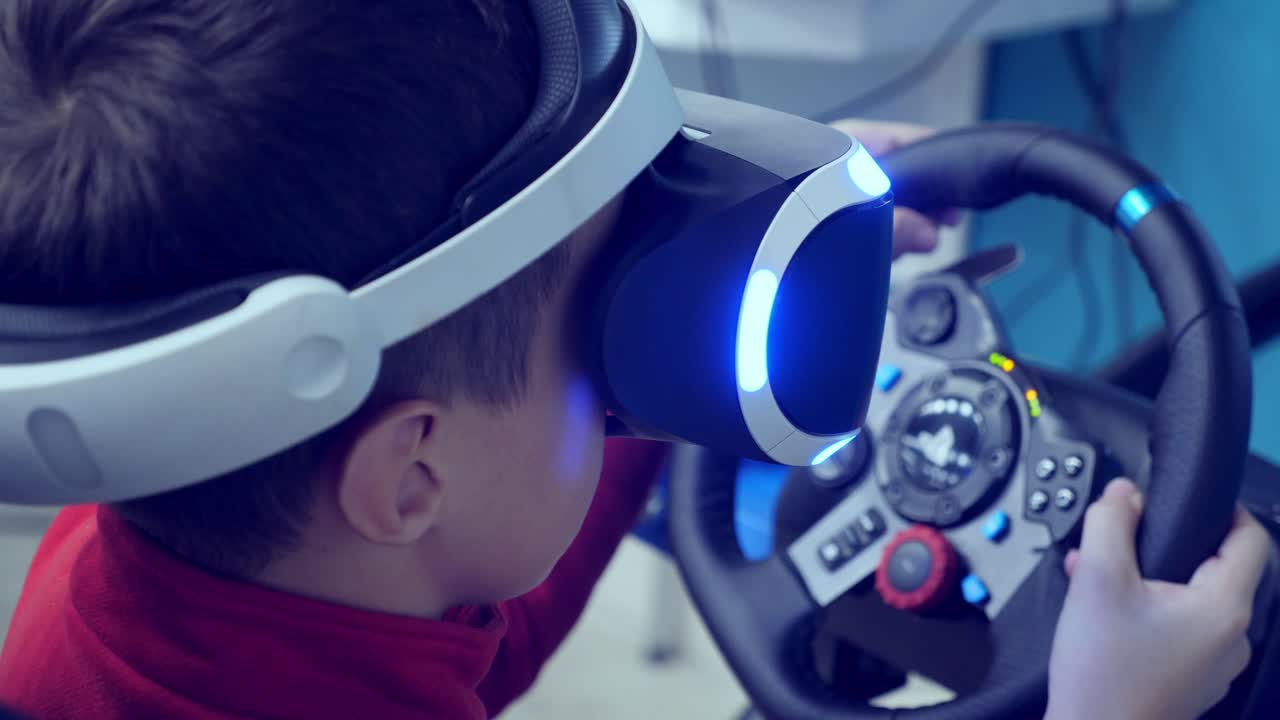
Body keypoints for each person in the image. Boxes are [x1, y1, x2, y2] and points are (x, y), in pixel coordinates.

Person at [0, 1, 1269, 719]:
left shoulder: (182, 555)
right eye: (602, 318)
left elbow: (480, 592)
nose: (625, 353)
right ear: (407, 477)